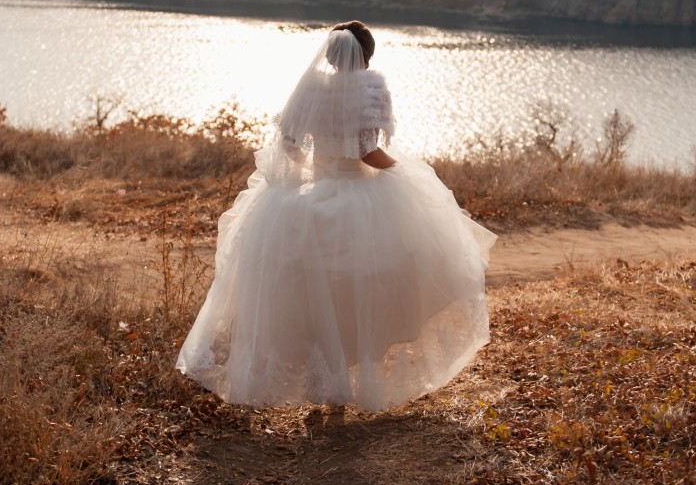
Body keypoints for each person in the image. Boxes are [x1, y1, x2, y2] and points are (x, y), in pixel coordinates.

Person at [176, 21, 493, 412]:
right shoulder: (370, 89)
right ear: (368, 55)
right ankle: (341, 376)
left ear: (329, 56)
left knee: (313, 292)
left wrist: (311, 171)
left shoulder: (310, 90)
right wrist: (400, 171)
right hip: (358, 196)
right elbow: (365, 152)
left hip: (313, 193)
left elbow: (289, 145)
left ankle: (320, 374)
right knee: (361, 289)